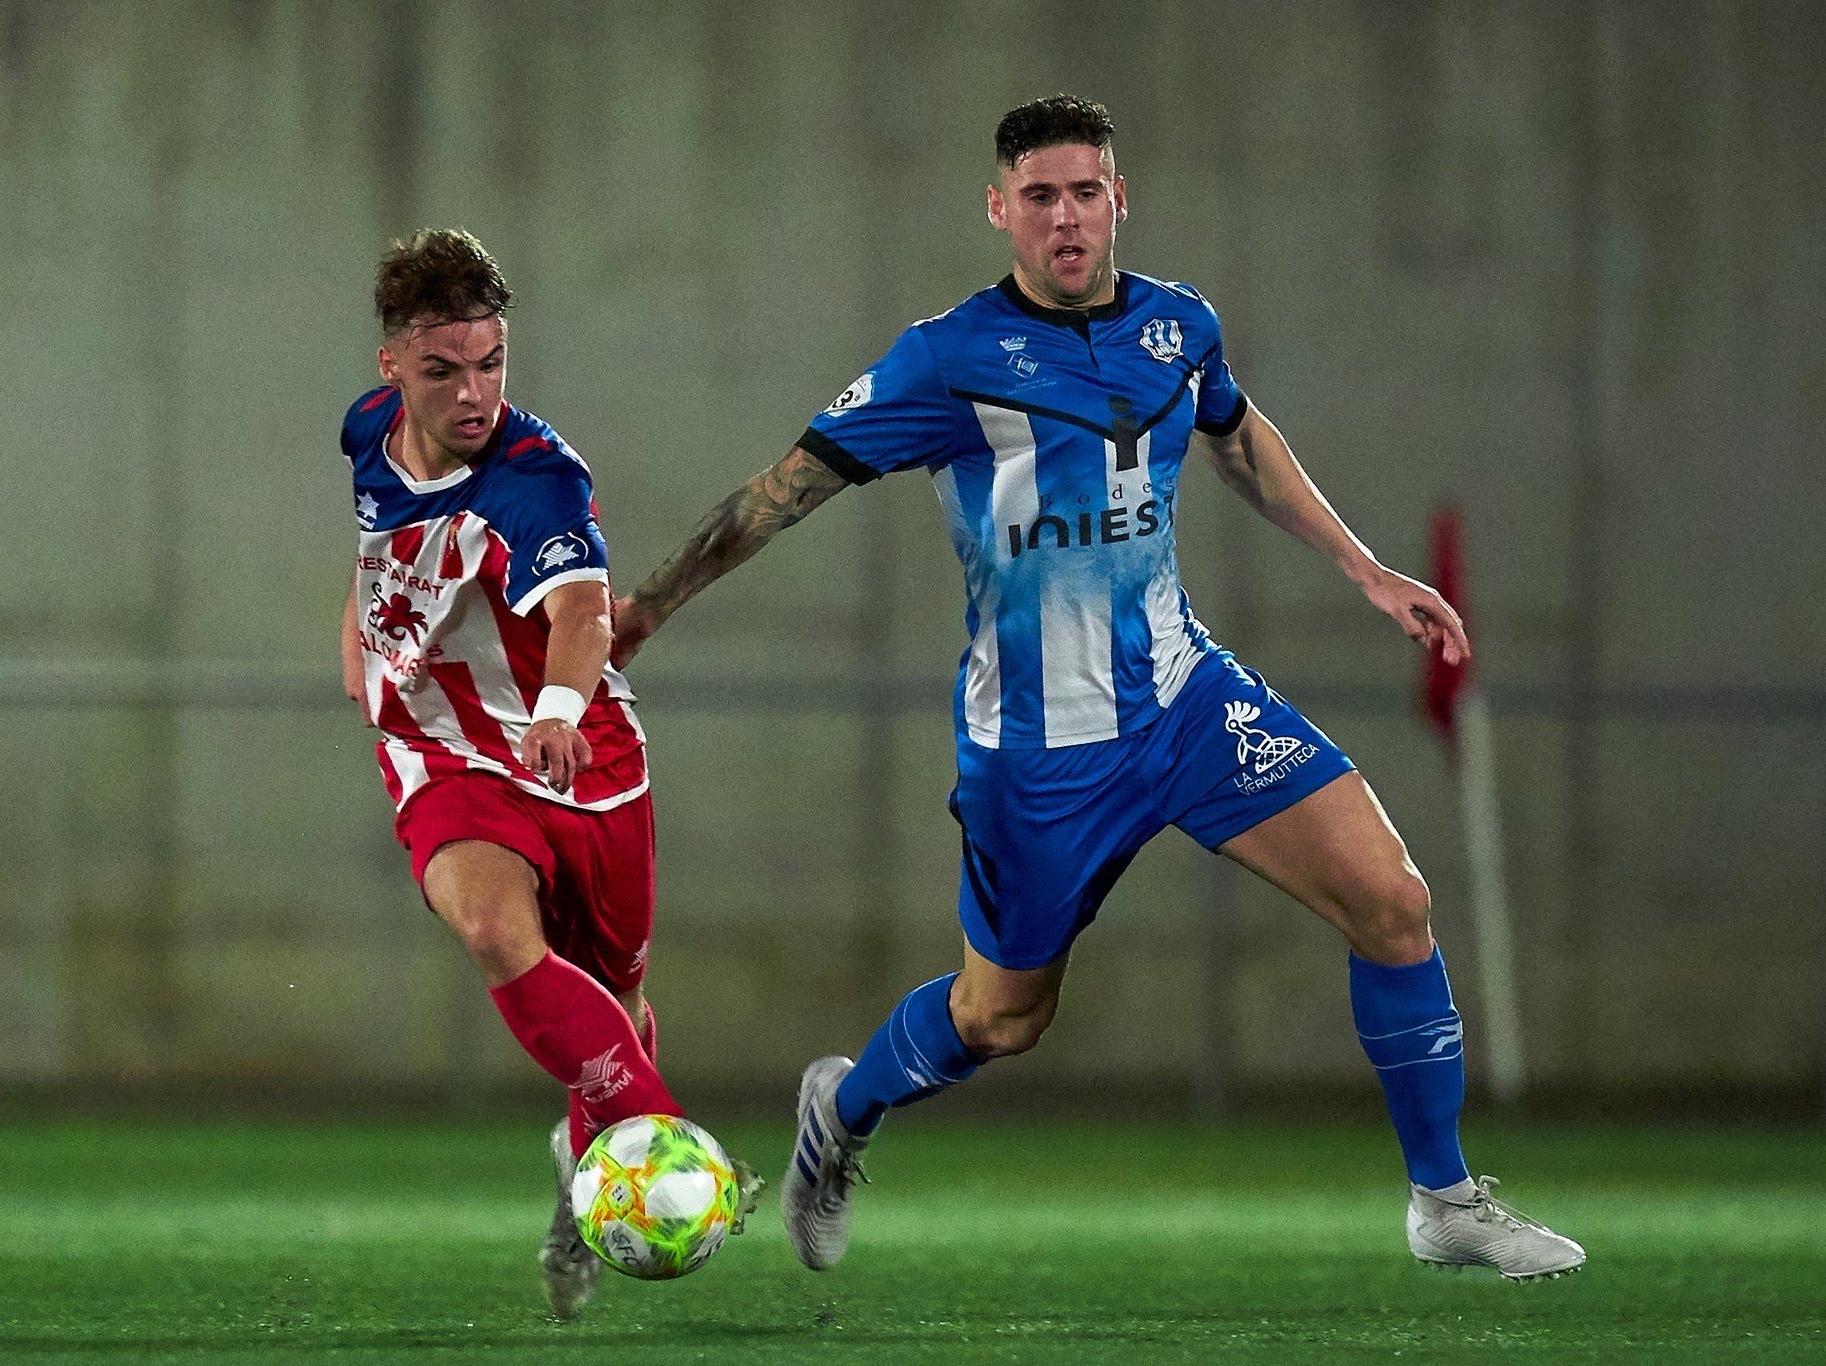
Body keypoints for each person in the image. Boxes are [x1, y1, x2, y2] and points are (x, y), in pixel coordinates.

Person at [611, 97, 1583, 1281]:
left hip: (1184, 702)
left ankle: (1441, 1199)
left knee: (1391, 899)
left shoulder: (1178, 328)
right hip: (1036, 756)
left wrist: (1363, 567)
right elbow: (783, 488)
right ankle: (844, 1108)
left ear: (1118, 199)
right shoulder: (945, 356)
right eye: (1038, 197)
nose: (1063, 218)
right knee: (1000, 1019)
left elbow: (1232, 435)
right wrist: (654, 601)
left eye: (1083, 193)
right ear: (998, 211)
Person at [338, 228, 755, 1320]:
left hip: (581, 762)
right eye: (444, 370)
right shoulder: (366, 433)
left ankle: (584, 1188)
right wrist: (364, 639)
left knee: (614, 1000)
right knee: (489, 924)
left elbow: (580, 612)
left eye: (490, 363)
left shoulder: (537, 479)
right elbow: (378, 532)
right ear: (392, 368)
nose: (473, 392)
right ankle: (661, 1153)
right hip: (442, 752)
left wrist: (561, 710)